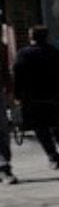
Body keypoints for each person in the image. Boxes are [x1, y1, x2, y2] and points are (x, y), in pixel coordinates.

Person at [12, 26, 59, 170]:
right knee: (55, 123)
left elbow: (18, 76)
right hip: (54, 97)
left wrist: (17, 95)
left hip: (32, 98)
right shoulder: (56, 53)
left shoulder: (23, 54)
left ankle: (53, 156)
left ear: (31, 37)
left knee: (40, 128)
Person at [0, 29, 15, 185]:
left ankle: (4, 166)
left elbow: (6, 71)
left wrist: (10, 92)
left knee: (3, 130)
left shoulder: (2, 47)